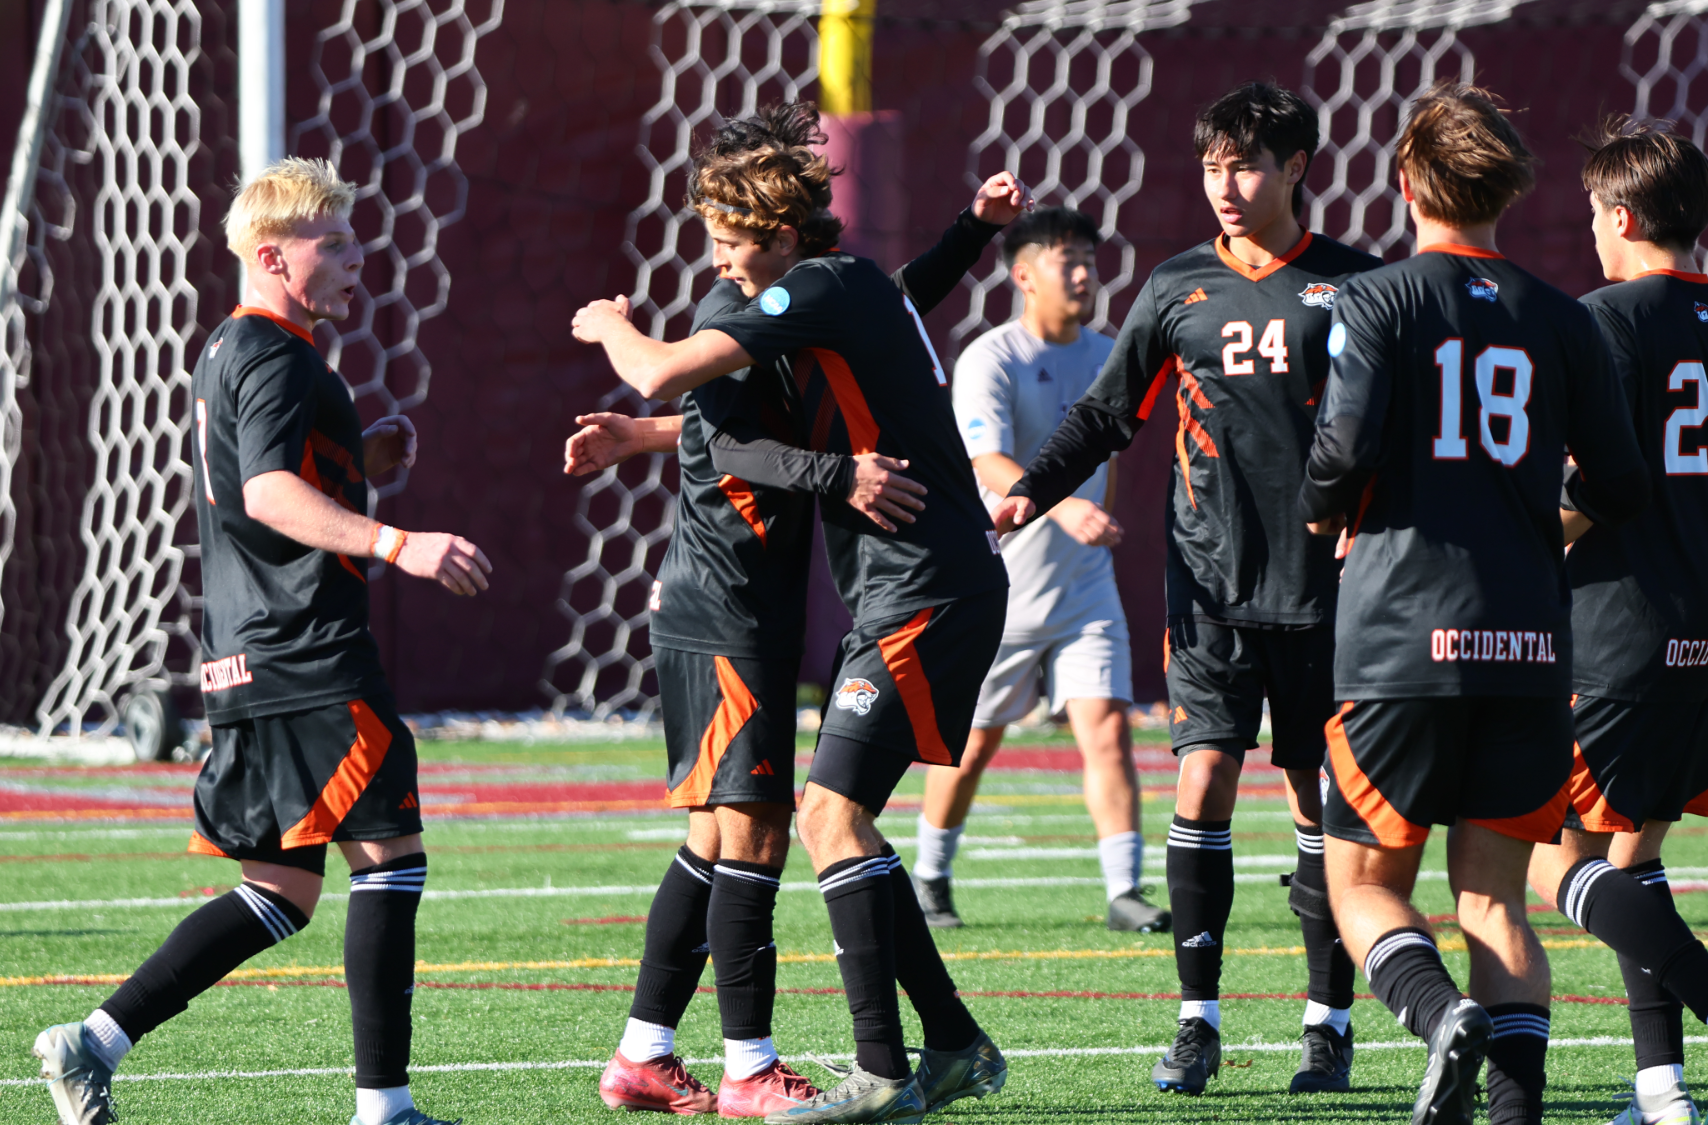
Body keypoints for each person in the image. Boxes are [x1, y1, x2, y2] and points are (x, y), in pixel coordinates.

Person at [562, 109, 1028, 1118]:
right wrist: (646, 437)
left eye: (732, 240)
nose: (717, 260)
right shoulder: (836, 294)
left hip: (925, 584)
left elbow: (660, 372)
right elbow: (721, 427)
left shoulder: (814, 290)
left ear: (782, 235)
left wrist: (606, 327)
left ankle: (870, 1072)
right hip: (867, 589)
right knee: (776, 825)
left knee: (807, 818)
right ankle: (938, 1042)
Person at [32, 158, 492, 1125]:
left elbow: (267, 476)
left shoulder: (228, 349)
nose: (358, 258)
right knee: (391, 855)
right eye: (336, 242)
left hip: (245, 652)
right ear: (276, 255)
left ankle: (93, 1041)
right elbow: (267, 494)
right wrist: (397, 540)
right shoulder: (279, 354)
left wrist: (357, 464)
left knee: (280, 888)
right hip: (306, 647)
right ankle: (385, 1110)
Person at [992, 81, 1380, 1096]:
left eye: (1244, 165)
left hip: (1328, 595)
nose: (1224, 184)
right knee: (1201, 781)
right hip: (1207, 589)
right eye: (1211, 164)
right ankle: (1196, 1022)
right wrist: (1028, 491)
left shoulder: (1361, 285)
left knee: (1317, 798)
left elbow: (1403, 435)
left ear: (1296, 170)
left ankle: (1324, 1025)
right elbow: (1103, 414)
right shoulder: (1174, 289)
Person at [1295, 83, 1651, 1125]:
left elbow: (1342, 449)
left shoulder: (1374, 298)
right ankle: (1509, 1113)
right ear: (1507, 187)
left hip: (1400, 633)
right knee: (1493, 898)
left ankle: (1436, 1014)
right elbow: (1621, 485)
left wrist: (1324, 514)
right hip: (1528, 637)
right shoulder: (1559, 317)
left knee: (1359, 887)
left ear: (1404, 183)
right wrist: (1549, 524)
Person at [1526, 118, 1708, 1125]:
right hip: (1706, 623)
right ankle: (1659, 1093)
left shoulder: (1601, 319)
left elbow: (1593, 486)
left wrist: (1515, 545)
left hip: (1613, 623)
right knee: (1630, 861)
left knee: (1546, 858)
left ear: (1621, 213)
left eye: (1594, 218)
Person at [913, 205, 1169, 935]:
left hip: (1086, 585)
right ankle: (931, 874)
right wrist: (1064, 510)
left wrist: (1093, 519)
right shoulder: (992, 357)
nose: (1085, 273)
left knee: (1109, 730)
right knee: (974, 740)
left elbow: (1107, 458)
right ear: (1024, 274)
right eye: (1068, 260)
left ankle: (1124, 889)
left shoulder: (1107, 351)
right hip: (1003, 587)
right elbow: (984, 461)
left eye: (1089, 258)